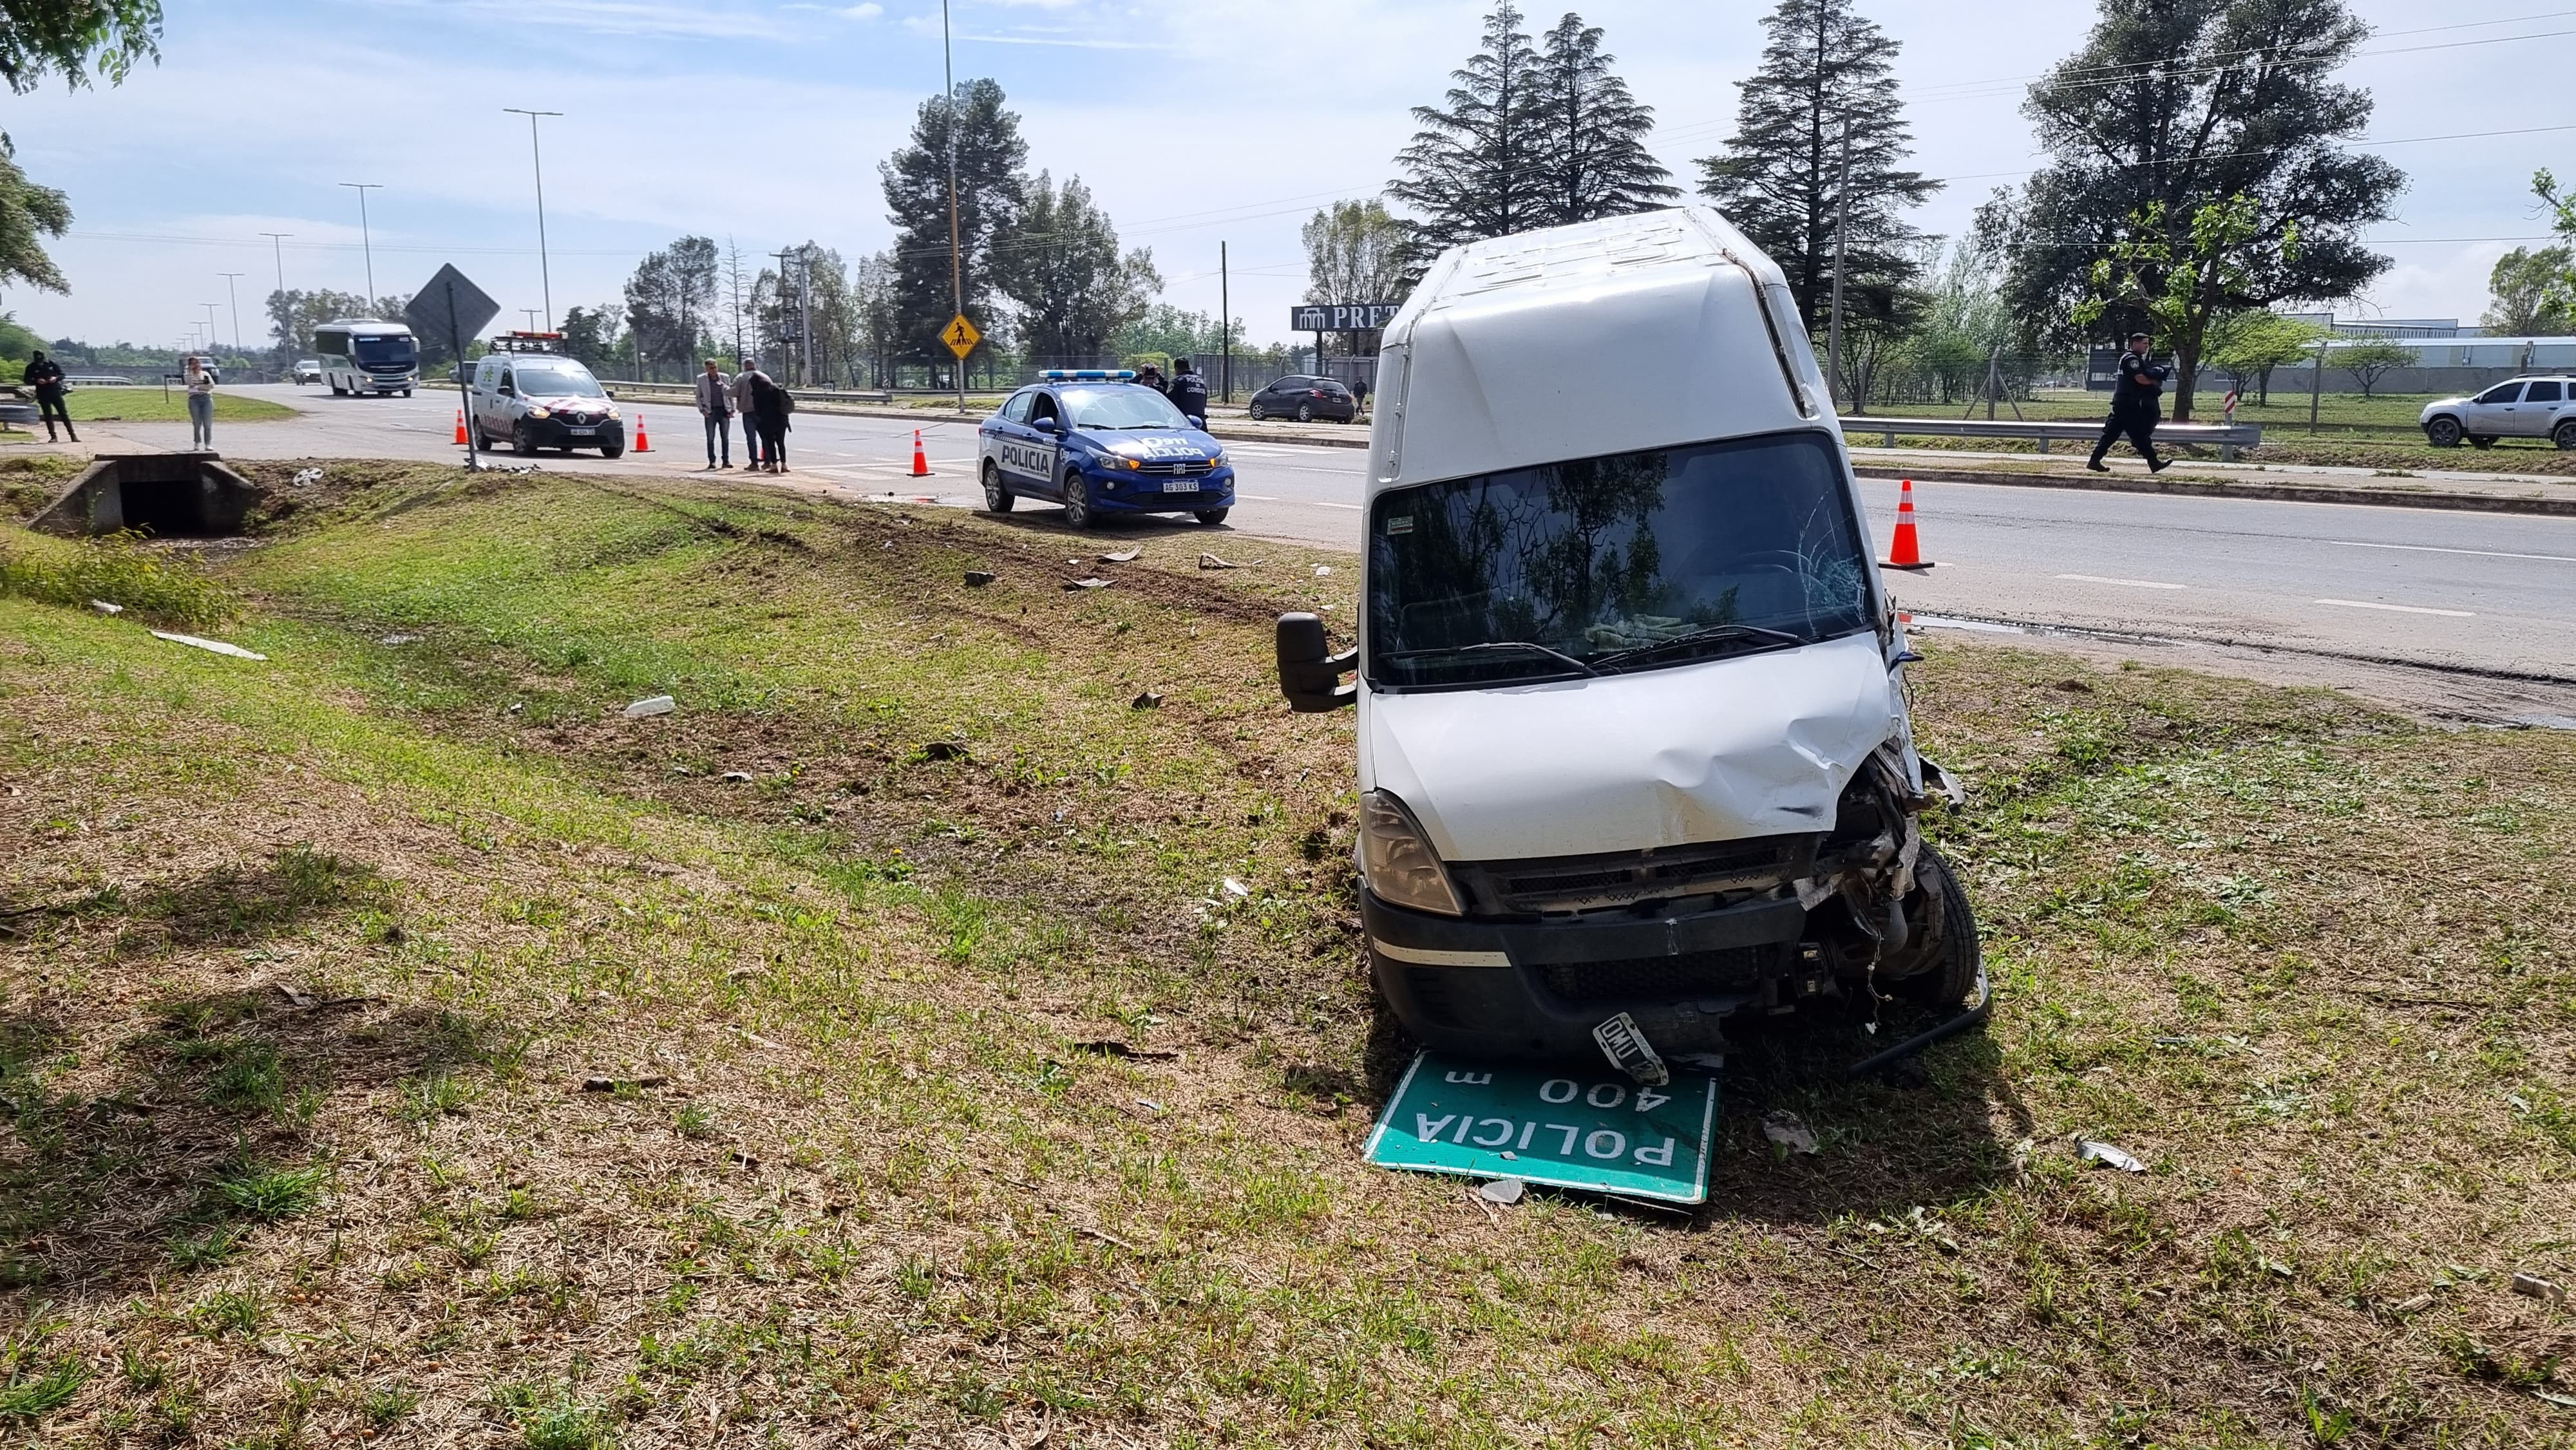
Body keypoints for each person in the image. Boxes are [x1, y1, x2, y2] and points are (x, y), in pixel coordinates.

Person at [2087, 330, 2170, 473]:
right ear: (2135, 343)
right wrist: (2154, 381)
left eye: (2148, 344)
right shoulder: (2132, 359)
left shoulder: (2132, 358)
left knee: (2112, 434)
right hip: (2128, 404)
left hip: (2124, 403)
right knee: (2138, 435)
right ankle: (2154, 462)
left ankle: (2094, 461)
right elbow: (2140, 378)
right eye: (2144, 344)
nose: (2147, 347)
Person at [24, 350, 73, 443]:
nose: (40, 362)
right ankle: (53, 436)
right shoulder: (31, 367)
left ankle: (72, 435)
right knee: (48, 415)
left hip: (55, 391)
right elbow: (27, 380)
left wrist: (56, 378)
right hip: (42, 393)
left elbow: (62, 375)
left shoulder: (52, 364)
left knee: (64, 414)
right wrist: (36, 380)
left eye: (41, 359)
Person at [748, 368, 791, 473]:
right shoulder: (776, 388)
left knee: (771, 443)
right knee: (781, 442)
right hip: (782, 419)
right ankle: (784, 465)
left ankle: (774, 465)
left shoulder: (757, 393)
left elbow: (757, 409)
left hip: (768, 421)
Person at [694, 359, 734, 470]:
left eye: (715, 367)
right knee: (710, 438)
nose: (714, 370)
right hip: (711, 411)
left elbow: (730, 394)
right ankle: (712, 461)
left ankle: (726, 460)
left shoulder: (725, 377)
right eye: (711, 368)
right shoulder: (702, 379)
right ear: (706, 369)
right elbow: (698, 396)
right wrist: (703, 410)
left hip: (724, 410)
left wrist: (732, 410)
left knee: (725, 438)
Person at [731, 363, 768, 471]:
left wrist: (723, 388)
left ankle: (754, 463)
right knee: (765, 437)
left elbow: (734, 391)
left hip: (748, 411)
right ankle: (768, 461)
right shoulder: (764, 376)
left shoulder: (741, 377)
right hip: (763, 412)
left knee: (751, 438)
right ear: (755, 365)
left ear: (745, 366)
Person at [183, 354, 215, 450]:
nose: (194, 365)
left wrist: (199, 387)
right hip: (194, 399)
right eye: (192, 363)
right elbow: (190, 383)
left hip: (206, 398)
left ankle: (208, 444)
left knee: (207, 423)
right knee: (197, 423)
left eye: (196, 363)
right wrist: (190, 371)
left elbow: (211, 385)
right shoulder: (188, 374)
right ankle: (197, 442)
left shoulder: (205, 374)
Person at [1167, 356, 1209, 428]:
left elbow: (1169, 403)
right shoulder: (1201, 381)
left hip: (1184, 423)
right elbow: (1204, 403)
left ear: (1177, 369)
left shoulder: (1178, 381)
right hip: (1201, 424)